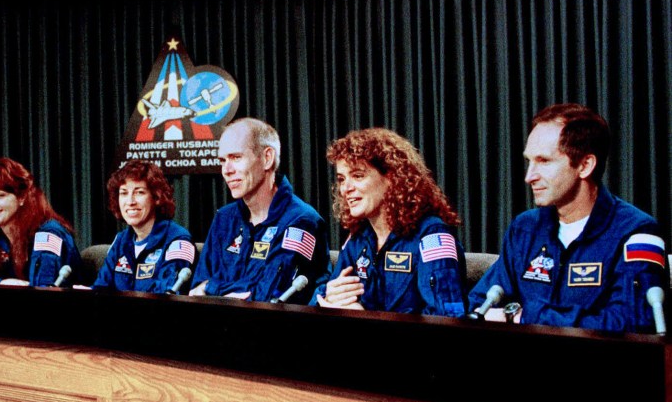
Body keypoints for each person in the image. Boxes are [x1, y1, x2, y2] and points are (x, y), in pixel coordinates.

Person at [469, 103, 667, 332]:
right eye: (529, 161)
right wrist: (515, 315)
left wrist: (528, 316)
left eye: (543, 161)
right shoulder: (525, 229)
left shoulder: (637, 232)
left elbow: (633, 323)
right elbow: (479, 306)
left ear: (584, 165)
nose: (529, 176)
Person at [312, 128, 467, 316]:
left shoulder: (432, 236)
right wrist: (329, 297)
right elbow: (325, 300)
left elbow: (446, 320)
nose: (346, 189)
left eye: (358, 176)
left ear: (392, 178)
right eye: (342, 179)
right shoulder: (358, 240)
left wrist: (366, 320)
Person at [190, 117, 330, 303]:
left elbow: (271, 296)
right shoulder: (224, 218)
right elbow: (196, 290)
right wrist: (210, 289)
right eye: (223, 161)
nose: (227, 170)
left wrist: (211, 289)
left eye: (236, 157)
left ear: (267, 158)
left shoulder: (302, 221)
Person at [0, 157, 83, 287]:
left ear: (22, 197)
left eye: (0, 195)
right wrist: (1, 283)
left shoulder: (48, 234)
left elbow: (42, 289)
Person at [92, 160, 195, 293]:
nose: (130, 202)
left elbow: (168, 296)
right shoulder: (121, 240)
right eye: (124, 193)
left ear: (156, 197)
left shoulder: (178, 240)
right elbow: (101, 288)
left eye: (139, 192)